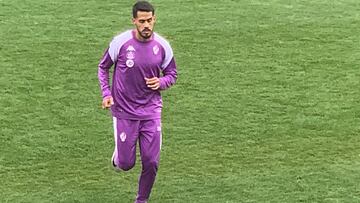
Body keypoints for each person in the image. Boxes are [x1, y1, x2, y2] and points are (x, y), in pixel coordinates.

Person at [97, 1, 177, 202]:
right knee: (126, 164)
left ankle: (141, 200)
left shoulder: (162, 46)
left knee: (151, 162)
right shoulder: (120, 43)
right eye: (142, 21)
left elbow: (172, 74)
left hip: (151, 111)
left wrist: (160, 82)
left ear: (154, 19)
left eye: (149, 20)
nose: (146, 25)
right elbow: (103, 67)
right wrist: (106, 93)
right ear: (134, 21)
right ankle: (118, 157)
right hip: (124, 112)